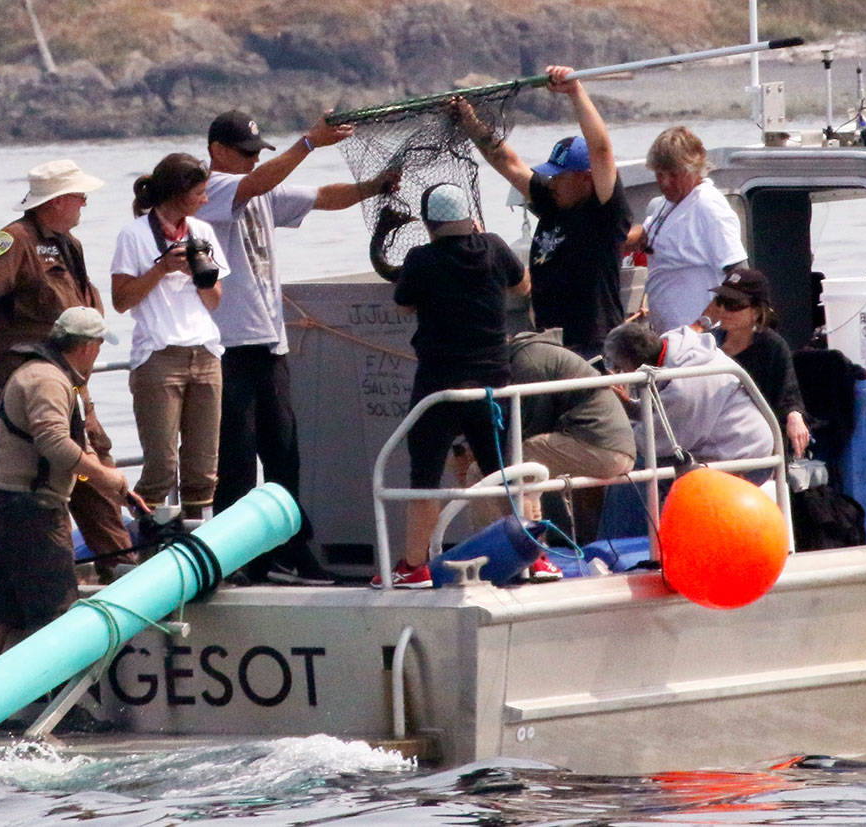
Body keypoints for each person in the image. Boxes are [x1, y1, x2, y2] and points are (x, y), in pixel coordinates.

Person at [198, 109, 398, 585]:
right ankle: (237, 557)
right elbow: (257, 182)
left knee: (285, 454)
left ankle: (289, 549)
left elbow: (324, 197)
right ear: (216, 152)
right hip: (230, 348)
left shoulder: (263, 191)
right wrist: (308, 143)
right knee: (237, 461)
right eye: (243, 153)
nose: (251, 162)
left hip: (271, 343)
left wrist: (375, 186)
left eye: (255, 153)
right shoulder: (210, 193)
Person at [0, 159, 133, 581]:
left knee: (94, 452)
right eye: (78, 196)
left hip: (70, 378)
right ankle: (106, 562)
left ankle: (119, 560)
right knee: (66, 457)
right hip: (30, 377)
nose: (84, 203)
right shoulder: (13, 241)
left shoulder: (68, 244)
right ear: (55, 202)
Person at [0, 307, 146, 667]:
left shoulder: (51, 374)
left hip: (7, 504)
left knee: (0, 615)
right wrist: (105, 476)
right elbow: (54, 444)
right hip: (31, 511)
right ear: (85, 347)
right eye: (98, 346)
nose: (98, 355)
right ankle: (64, 711)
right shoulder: (48, 381)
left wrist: (119, 491)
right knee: (56, 615)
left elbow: (73, 451)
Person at [382, 183, 530, 589]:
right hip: (493, 384)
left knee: (426, 477)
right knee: (508, 469)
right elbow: (523, 287)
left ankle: (413, 566)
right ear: (470, 217)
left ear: (431, 225)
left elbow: (404, 303)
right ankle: (534, 551)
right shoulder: (495, 248)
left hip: (440, 386)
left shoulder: (422, 259)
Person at [455, 65, 632, 358]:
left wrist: (575, 91)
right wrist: (469, 122)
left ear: (586, 178)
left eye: (561, 176)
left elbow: (601, 150)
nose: (552, 182)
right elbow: (506, 161)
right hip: (549, 344)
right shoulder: (553, 202)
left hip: (593, 346)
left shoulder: (605, 213)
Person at [111, 153, 227, 515]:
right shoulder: (133, 236)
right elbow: (120, 301)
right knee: (161, 468)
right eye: (199, 193)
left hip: (205, 354)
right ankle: (151, 547)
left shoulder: (202, 232)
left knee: (203, 470)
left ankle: (197, 551)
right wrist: (161, 268)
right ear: (178, 193)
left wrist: (198, 271)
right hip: (159, 357)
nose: (204, 200)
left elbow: (215, 300)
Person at [468, 329, 637, 547]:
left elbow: (532, 427)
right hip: (608, 445)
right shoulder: (533, 354)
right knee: (502, 469)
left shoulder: (527, 363)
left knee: (514, 466)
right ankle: (524, 546)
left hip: (601, 447)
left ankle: (516, 550)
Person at [602, 321, 773, 475]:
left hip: (744, 460)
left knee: (630, 465)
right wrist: (628, 405)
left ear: (635, 364)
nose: (621, 373)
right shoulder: (680, 347)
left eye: (620, 368)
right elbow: (665, 413)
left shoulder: (684, 388)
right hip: (733, 446)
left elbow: (650, 444)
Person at [626, 126, 748, 334]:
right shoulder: (668, 203)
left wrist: (703, 323)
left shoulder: (707, 205)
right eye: (659, 174)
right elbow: (646, 235)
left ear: (694, 168)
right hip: (669, 335)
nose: (665, 183)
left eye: (673, 175)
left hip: (700, 339)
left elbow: (740, 275)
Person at [708, 269, 811, 457]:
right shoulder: (709, 343)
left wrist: (795, 416)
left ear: (756, 312)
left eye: (733, 304)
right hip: (710, 438)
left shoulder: (773, 347)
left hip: (756, 445)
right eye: (720, 301)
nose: (723, 310)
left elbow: (788, 395)